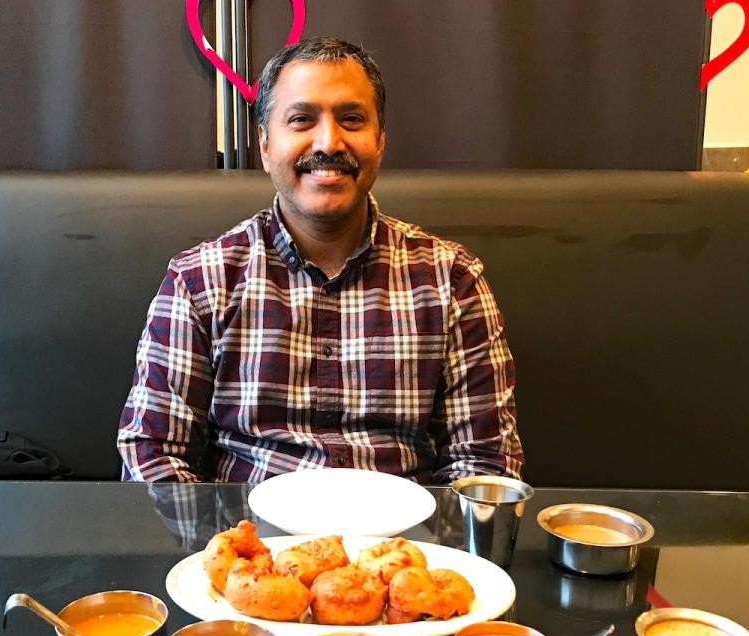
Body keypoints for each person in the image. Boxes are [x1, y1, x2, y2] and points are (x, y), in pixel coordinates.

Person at [118, 36, 523, 485]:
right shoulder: (201, 281)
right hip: (253, 543)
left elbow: (483, 464)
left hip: (402, 546)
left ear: (380, 141)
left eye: (351, 119)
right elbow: (153, 457)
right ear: (266, 144)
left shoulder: (452, 279)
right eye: (301, 120)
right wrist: (221, 552)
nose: (329, 141)